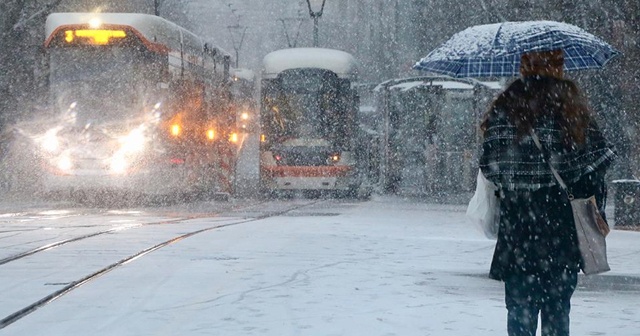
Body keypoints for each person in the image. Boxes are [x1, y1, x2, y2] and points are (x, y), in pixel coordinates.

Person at [479, 49, 616, 336]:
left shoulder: (505, 109)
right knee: (557, 311)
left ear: (524, 67)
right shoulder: (569, 109)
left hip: (518, 227)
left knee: (519, 311)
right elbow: (601, 158)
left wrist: (520, 170)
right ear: (558, 67)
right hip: (560, 228)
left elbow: (490, 168)